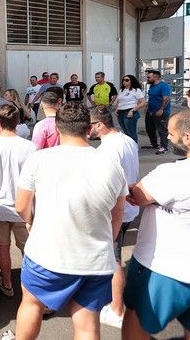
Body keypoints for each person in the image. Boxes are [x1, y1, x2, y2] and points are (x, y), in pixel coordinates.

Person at [12, 102, 127, 340]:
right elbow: (117, 216)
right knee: (87, 323)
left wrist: (31, 223)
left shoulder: (39, 159)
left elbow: (21, 206)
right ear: (89, 129)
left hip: (46, 254)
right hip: (94, 259)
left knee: (31, 304)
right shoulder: (111, 164)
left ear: (57, 128)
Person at [122, 110, 190, 339]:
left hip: (164, 267)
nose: (169, 138)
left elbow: (137, 196)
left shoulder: (173, 174)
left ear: (187, 137)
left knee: (135, 324)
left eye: (171, 133)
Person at [87, 106, 139, 330]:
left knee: (114, 260)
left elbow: (106, 186)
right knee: (115, 257)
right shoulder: (127, 140)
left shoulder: (106, 150)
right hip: (128, 209)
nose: (87, 129)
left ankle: (117, 309)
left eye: (90, 124)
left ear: (99, 124)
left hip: (116, 211)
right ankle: (116, 303)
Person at [0, 105, 35, 301]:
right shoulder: (30, 147)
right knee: (28, 249)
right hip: (24, 207)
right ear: (18, 122)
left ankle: (7, 283)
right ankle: (33, 288)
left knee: (2, 246)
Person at [144, 70, 171, 155]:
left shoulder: (164, 86)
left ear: (155, 77)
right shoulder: (152, 86)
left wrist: (161, 109)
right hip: (151, 111)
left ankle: (164, 147)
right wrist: (147, 106)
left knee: (162, 130)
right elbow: (151, 97)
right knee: (149, 129)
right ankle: (154, 144)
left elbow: (166, 99)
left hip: (160, 112)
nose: (147, 78)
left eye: (149, 77)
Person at [114, 74, 146, 144]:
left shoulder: (136, 90)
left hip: (129, 112)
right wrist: (116, 109)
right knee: (126, 132)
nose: (124, 81)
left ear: (131, 81)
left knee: (131, 132)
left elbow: (143, 102)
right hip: (120, 113)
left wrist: (133, 110)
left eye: (127, 80)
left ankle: (134, 149)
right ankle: (129, 148)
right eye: (123, 80)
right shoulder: (121, 90)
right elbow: (120, 101)